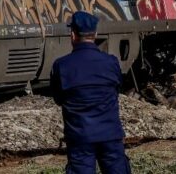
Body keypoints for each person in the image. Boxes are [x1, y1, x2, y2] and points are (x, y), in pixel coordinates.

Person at [51, 11, 131, 174]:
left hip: (80, 137)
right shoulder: (111, 62)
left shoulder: (61, 66)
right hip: (110, 135)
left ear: (72, 35)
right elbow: (116, 91)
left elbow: (58, 99)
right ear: (95, 34)